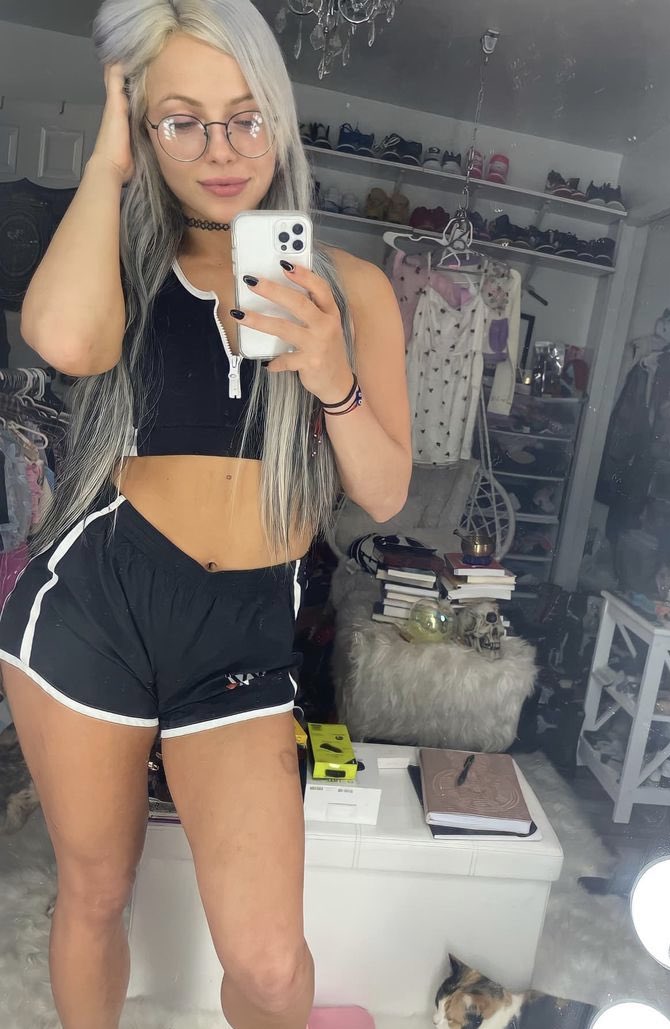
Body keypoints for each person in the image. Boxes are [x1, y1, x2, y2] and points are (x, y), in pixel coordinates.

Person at [0, 1, 410, 1027]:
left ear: (279, 115)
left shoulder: (354, 288)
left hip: (241, 627)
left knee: (269, 966)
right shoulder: (122, 266)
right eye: (182, 121)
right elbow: (64, 340)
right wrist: (108, 166)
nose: (221, 151)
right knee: (96, 890)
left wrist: (333, 376)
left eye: (244, 117)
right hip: (97, 602)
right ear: (144, 128)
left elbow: (385, 493)